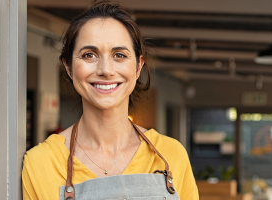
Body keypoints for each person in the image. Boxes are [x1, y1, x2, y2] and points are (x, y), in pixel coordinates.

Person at [21, 2, 199, 199]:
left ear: (138, 67)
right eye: (89, 55)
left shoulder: (171, 155)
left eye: (119, 55)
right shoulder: (41, 163)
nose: (105, 69)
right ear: (69, 67)